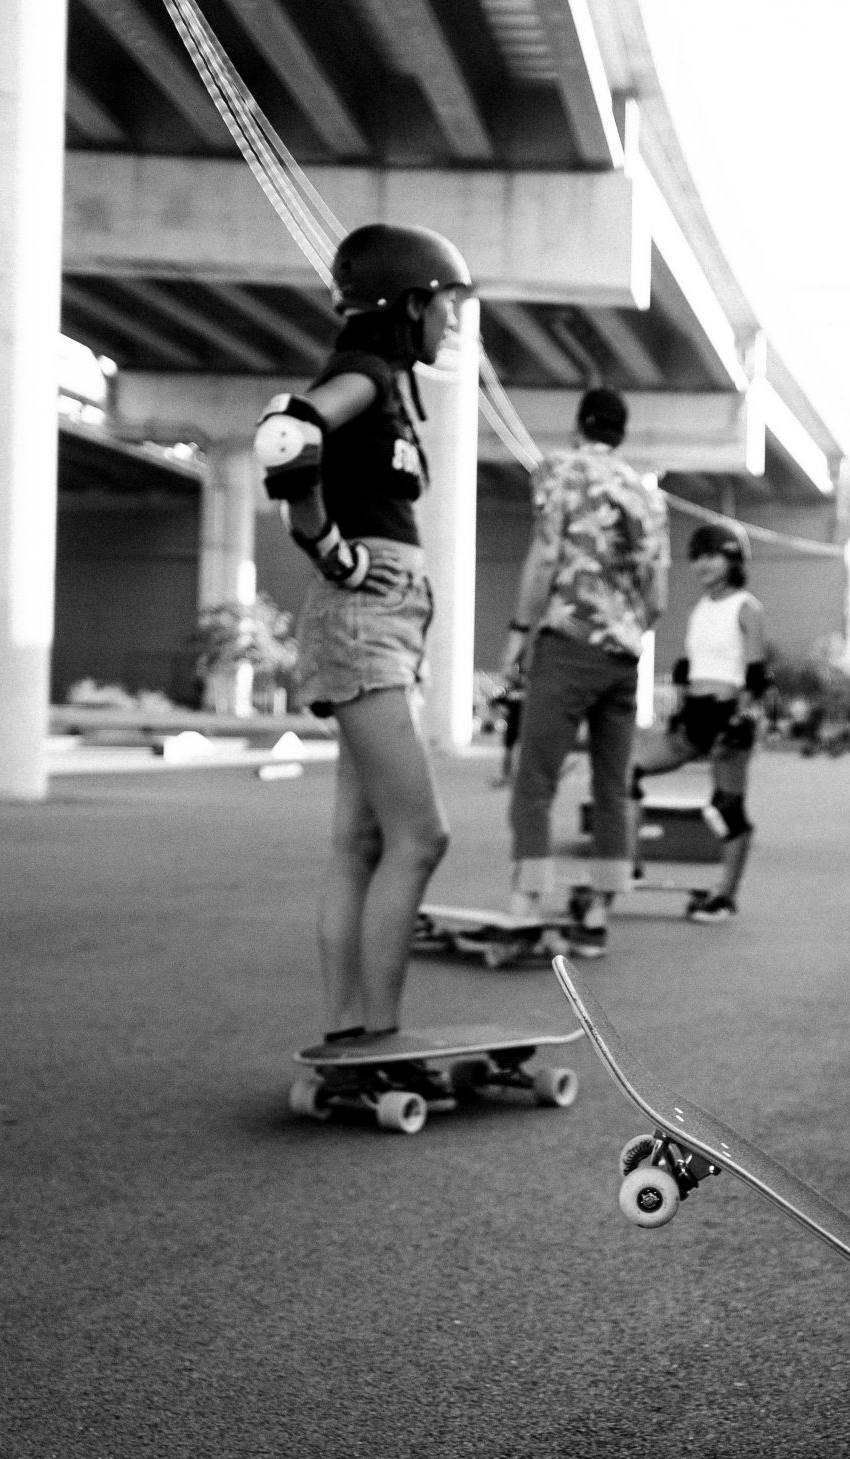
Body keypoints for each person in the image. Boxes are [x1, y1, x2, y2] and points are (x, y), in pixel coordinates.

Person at [252, 222, 471, 1065]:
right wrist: (327, 545)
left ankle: (351, 1030)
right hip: (365, 609)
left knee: (362, 841)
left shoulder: (386, 384)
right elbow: (288, 432)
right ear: (406, 303)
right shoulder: (366, 373)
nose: (449, 325)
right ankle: (381, 1036)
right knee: (422, 835)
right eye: (443, 307)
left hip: (381, 614)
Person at [498, 387, 670, 958]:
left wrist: (520, 632)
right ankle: (597, 915)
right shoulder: (647, 493)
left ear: (579, 426)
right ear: (621, 433)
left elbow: (547, 554)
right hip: (623, 657)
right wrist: (625, 625)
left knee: (536, 779)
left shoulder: (560, 472)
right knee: (611, 788)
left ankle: (526, 907)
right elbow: (660, 596)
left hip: (568, 644)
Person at [632, 523, 767, 923]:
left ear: (733, 559)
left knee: (727, 807)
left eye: (713, 555)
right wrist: (678, 711)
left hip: (729, 715)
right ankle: (629, 861)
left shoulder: (747, 607)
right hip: (695, 714)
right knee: (628, 772)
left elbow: (756, 674)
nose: (703, 564)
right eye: (698, 556)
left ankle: (725, 896)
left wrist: (742, 719)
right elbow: (689, 669)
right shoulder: (700, 609)